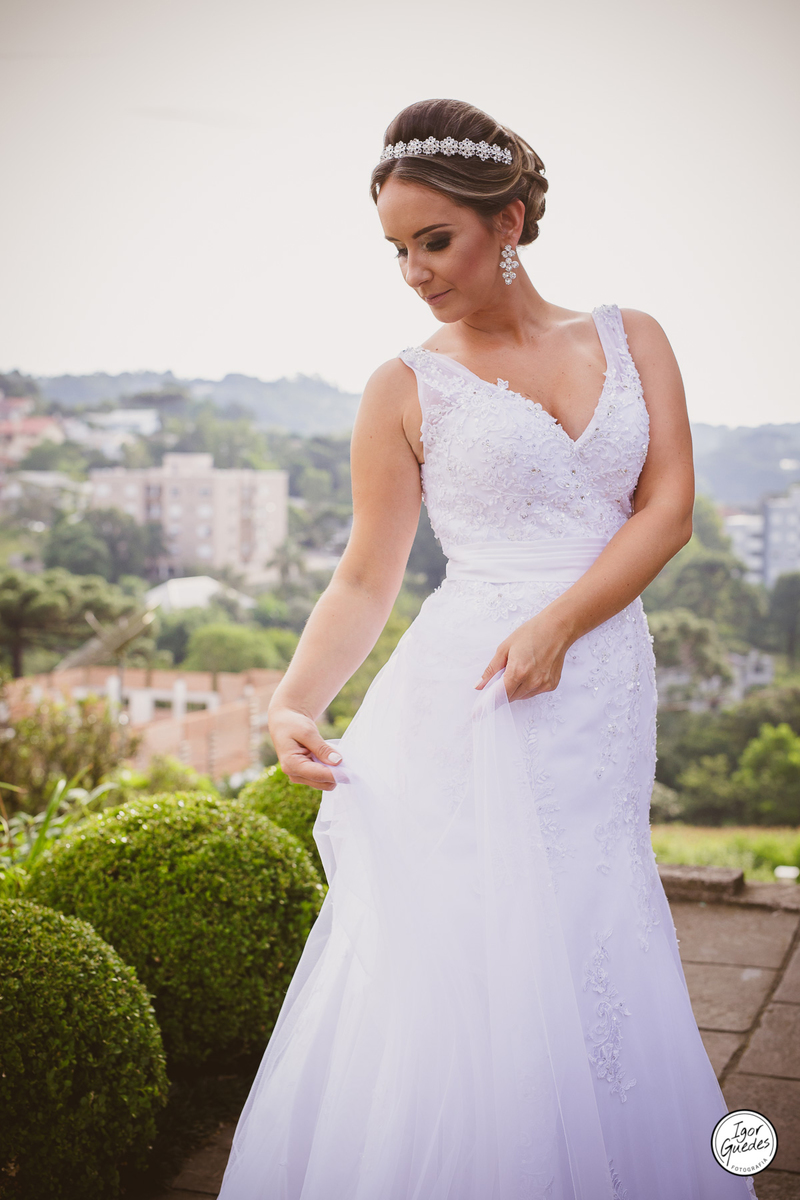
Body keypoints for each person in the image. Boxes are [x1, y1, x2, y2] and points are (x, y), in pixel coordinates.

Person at [218, 98, 757, 1199]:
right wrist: (292, 701)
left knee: (595, 912)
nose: (413, 272)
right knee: (468, 942)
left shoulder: (633, 338)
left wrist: (560, 623)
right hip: (463, 690)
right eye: (396, 250)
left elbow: (666, 511)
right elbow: (366, 575)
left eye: (435, 240)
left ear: (507, 220)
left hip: (596, 679)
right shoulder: (403, 386)